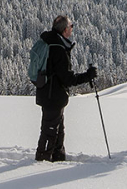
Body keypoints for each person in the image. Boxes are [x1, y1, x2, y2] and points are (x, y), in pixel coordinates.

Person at [35, 15, 96, 162]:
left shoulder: (50, 43)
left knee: (57, 131)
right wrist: (88, 76)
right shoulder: (58, 48)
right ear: (64, 30)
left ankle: (57, 159)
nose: (72, 28)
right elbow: (68, 79)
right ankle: (42, 161)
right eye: (71, 26)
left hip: (48, 94)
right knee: (50, 131)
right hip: (53, 96)